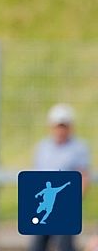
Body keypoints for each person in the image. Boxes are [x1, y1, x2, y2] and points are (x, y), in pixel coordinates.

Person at [29, 103, 90, 251]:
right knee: (37, 244)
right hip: (43, 204)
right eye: (58, 126)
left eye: (64, 126)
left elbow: (83, 176)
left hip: (65, 205)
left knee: (65, 244)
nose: (60, 130)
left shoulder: (78, 148)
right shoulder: (42, 147)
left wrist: (74, 200)